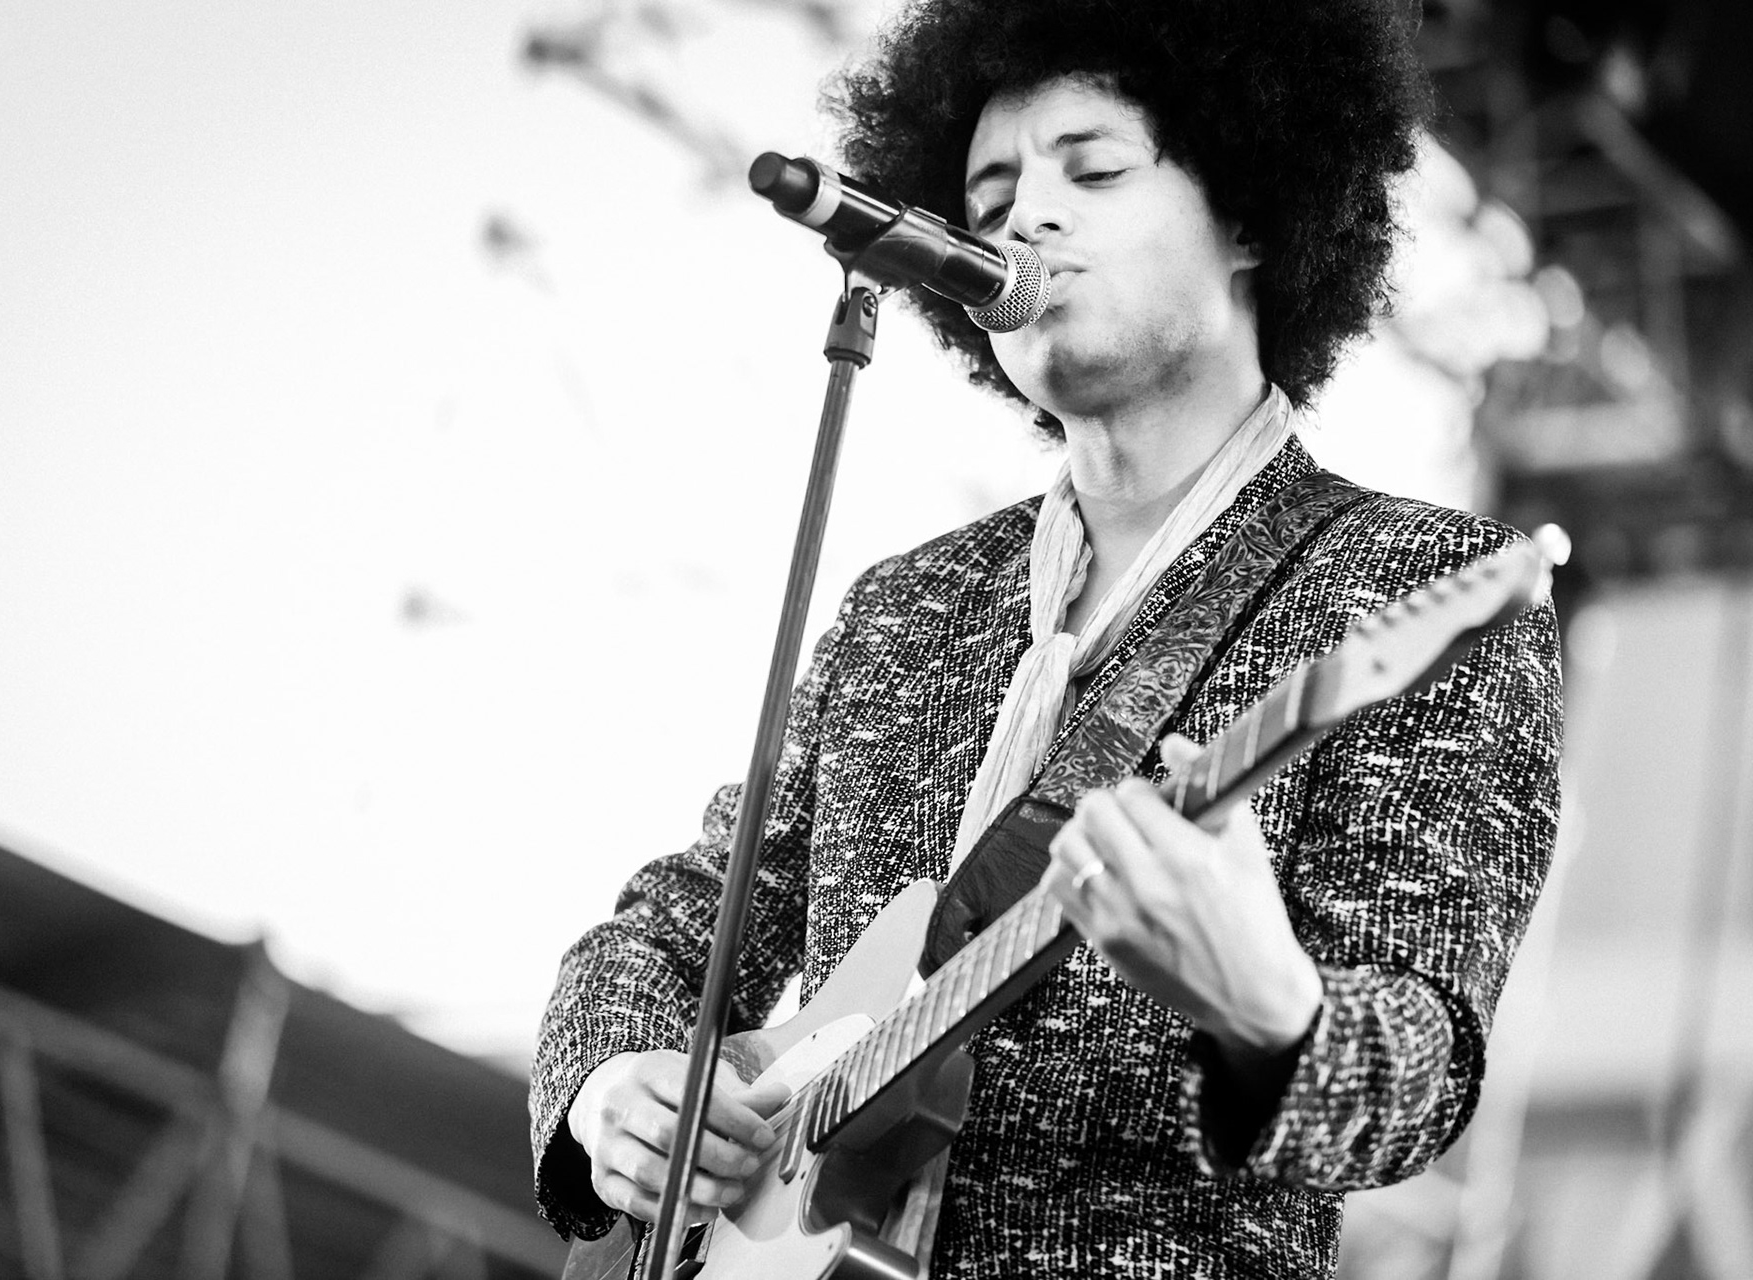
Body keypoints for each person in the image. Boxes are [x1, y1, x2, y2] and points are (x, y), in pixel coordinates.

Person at [529, 0, 1563, 1274]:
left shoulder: (1417, 578)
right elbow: (685, 919)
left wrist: (1275, 1010)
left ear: (1249, 208)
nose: (1025, 219)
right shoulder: (905, 608)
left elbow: (1421, 1064)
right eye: (991, 190)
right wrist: (612, 1081)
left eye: (1096, 165)